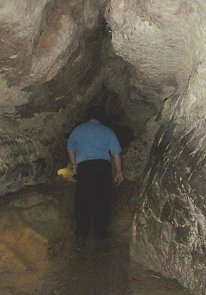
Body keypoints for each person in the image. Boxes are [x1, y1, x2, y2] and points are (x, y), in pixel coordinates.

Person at [67, 107, 124, 249]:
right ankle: (100, 233)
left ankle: (81, 236)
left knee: (82, 201)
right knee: (102, 199)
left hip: (85, 168)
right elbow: (116, 154)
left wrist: (75, 165)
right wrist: (119, 172)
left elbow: (70, 148)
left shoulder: (78, 130)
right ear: (101, 119)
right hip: (102, 168)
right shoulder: (107, 131)